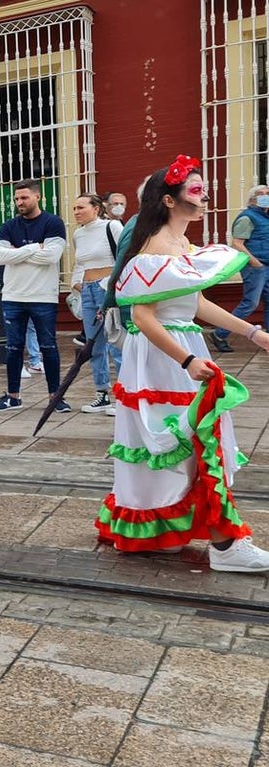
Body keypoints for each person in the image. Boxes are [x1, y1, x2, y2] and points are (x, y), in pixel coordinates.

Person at [98, 156, 269, 572]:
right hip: (163, 358)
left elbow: (198, 304)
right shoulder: (153, 247)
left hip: (179, 352)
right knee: (191, 442)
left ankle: (167, 531)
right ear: (169, 201)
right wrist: (188, 359)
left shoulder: (183, 247)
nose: (204, 194)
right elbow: (143, 318)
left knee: (189, 443)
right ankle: (226, 545)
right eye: (194, 189)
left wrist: (252, 333)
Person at [0, 180, 68, 413]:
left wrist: (17, 252)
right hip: (13, 295)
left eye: (24, 198)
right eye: (16, 199)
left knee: (48, 347)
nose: (19, 202)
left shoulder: (53, 223)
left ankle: (55, 397)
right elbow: (1, 257)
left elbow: (52, 256)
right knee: (13, 348)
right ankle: (13, 396)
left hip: (43, 296)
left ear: (38, 197)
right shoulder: (8, 226)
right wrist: (36, 247)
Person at [71, 193, 124, 414]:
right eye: (74, 208)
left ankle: (124, 397)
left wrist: (112, 287)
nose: (76, 212)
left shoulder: (111, 227)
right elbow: (80, 263)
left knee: (116, 343)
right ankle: (102, 394)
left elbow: (125, 256)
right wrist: (76, 283)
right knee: (94, 345)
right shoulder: (78, 234)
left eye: (81, 207)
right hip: (87, 289)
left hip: (107, 288)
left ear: (96, 208)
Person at [210, 183, 269, 353]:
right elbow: (237, 243)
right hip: (255, 267)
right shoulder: (247, 218)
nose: (265, 195)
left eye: (268, 193)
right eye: (261, 193)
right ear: (252, 200)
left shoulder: (265, 217)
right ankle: (219, 334)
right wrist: (255, 262)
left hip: (265, 265)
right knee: (250, 303)